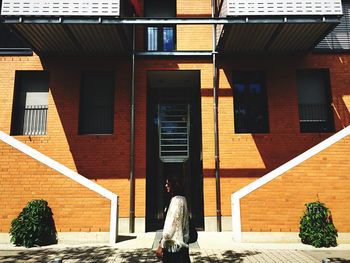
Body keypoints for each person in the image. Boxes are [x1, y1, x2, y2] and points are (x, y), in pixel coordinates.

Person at [156, 175, 191, 263]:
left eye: (168, 184)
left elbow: (172, 224)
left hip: (172, 246)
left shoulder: (176, 201)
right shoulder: (182, 199)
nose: (166, 186)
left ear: (174, 185)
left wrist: (161, 244)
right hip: (181, 243)